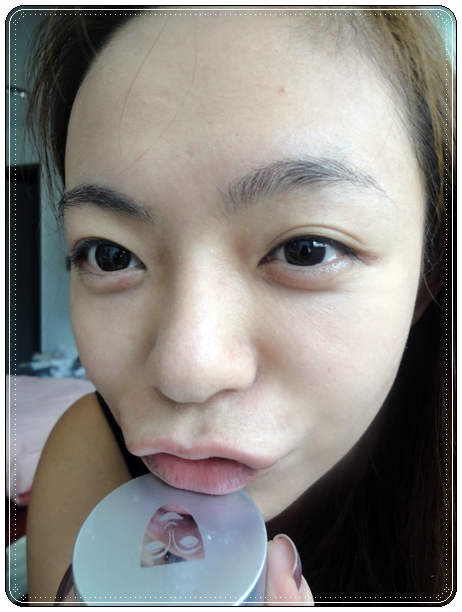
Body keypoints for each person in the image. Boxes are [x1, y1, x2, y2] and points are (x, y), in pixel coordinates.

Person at [25, 6, 453, 605]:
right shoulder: (87, 451)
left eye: (305, 250)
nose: (186, 372)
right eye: (111, 255)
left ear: (429, 275)